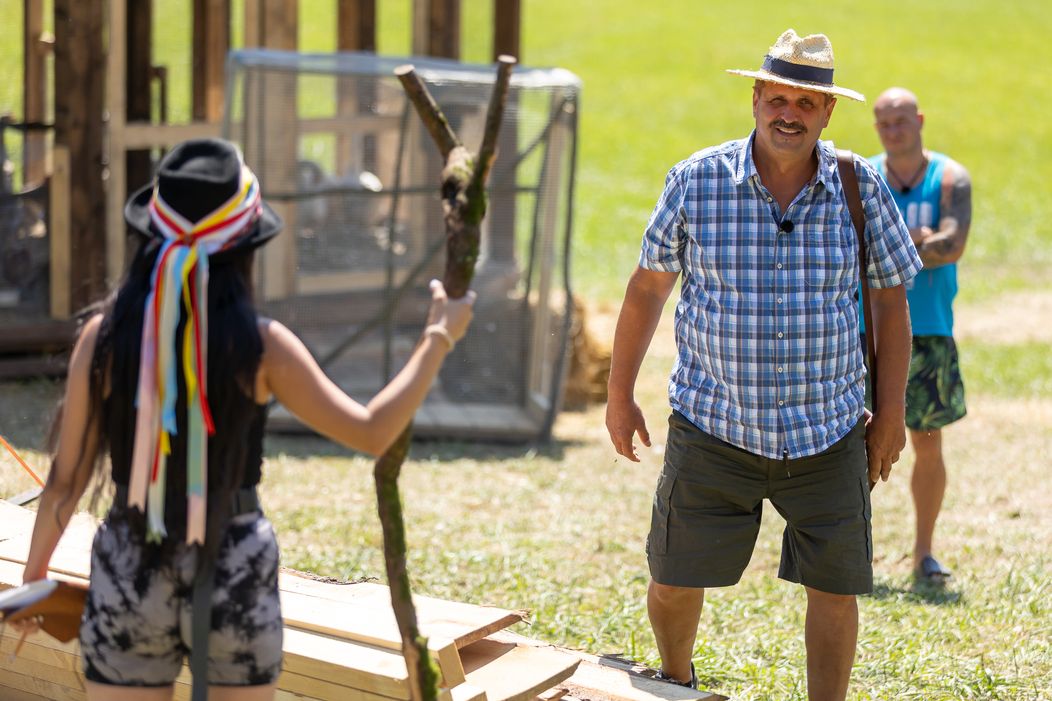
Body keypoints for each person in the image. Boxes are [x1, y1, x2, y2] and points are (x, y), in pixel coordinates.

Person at [14, 138, 475, 701]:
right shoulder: (262, 346)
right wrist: (438, 337)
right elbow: (373, 430)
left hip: (131, 557)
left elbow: (64, 484)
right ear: (245, 248)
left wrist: (32, 583)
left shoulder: (102, 339)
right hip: (234, 560)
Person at [605, 30, 922, 700]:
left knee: (836, 591)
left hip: (829, 430)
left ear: (827, 113)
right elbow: (646, 288)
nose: (789, 112)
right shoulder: (696, 180)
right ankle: (678, 680)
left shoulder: (858, 186)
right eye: (777, 96)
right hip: (713, 424)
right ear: (754, 98)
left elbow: (892, 304)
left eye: (806, 102)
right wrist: (618, 392)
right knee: (671, 578)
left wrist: (892, 411)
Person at [870, 87, 971, 584]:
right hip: (866, 333)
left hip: (928, 329)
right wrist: (916, 244)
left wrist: (888, 248)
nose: (894, 131)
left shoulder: (949, 178)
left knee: (927, 444)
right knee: (849, 445)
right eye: (884, 123)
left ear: (920, 120)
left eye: (901, 120)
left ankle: (924, 552)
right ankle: (849, 549)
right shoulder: (864, 176)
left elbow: (952, 244)